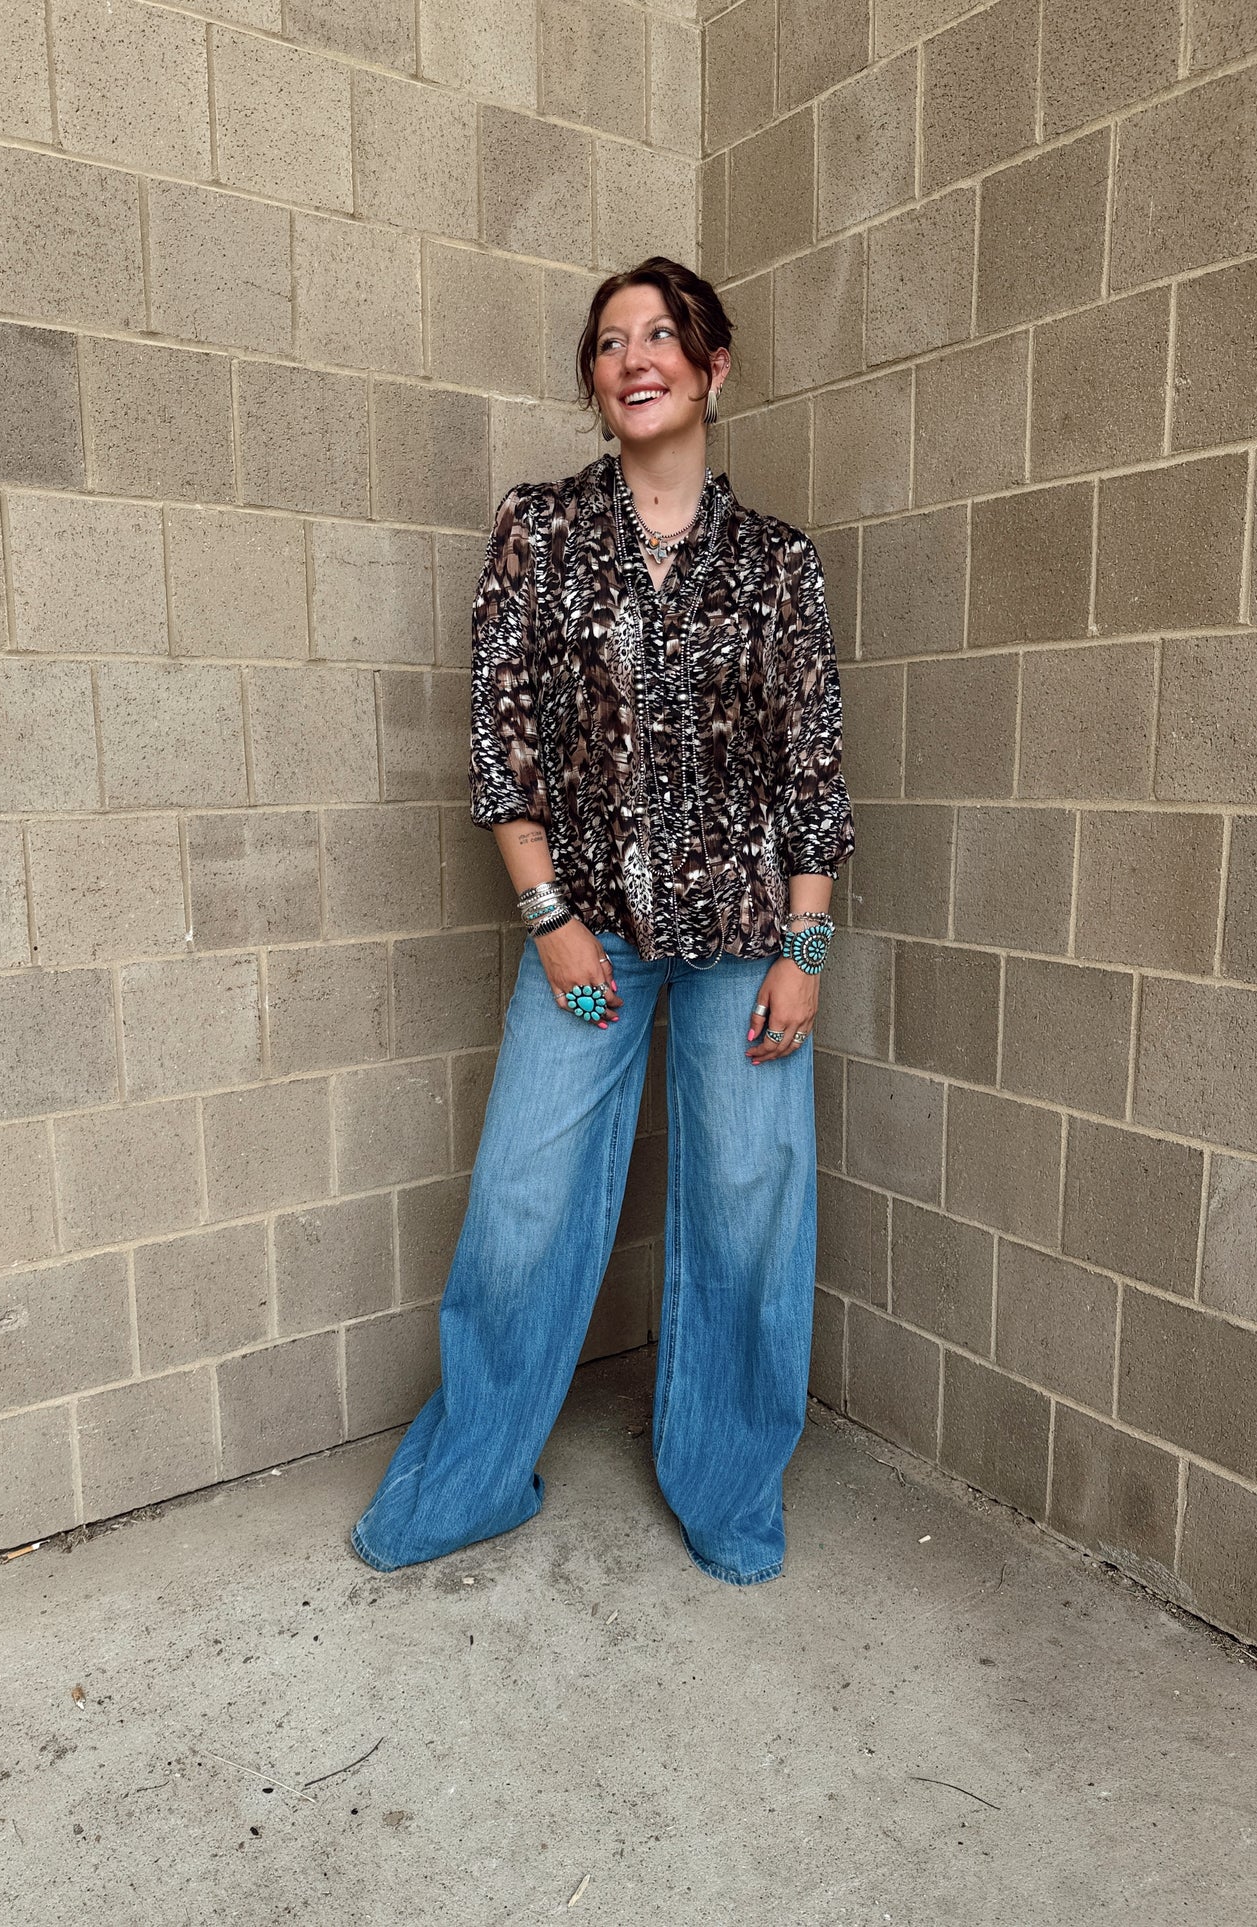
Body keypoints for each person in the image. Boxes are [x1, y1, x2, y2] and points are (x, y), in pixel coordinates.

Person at [349, 255, 854, 1586]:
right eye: (609, 340)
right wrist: (548, 918)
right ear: (593, 377)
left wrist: (805, 947)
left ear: (710, 365)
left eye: (661, 335)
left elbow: (810, 769)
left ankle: (726, 1477)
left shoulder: (775, 563)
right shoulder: (541, 530)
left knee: (750, 1206)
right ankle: (470, 1473)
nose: (635, 356)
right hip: (588, 939)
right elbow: (502, 740)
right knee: (523, 1198)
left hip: (750, 937)